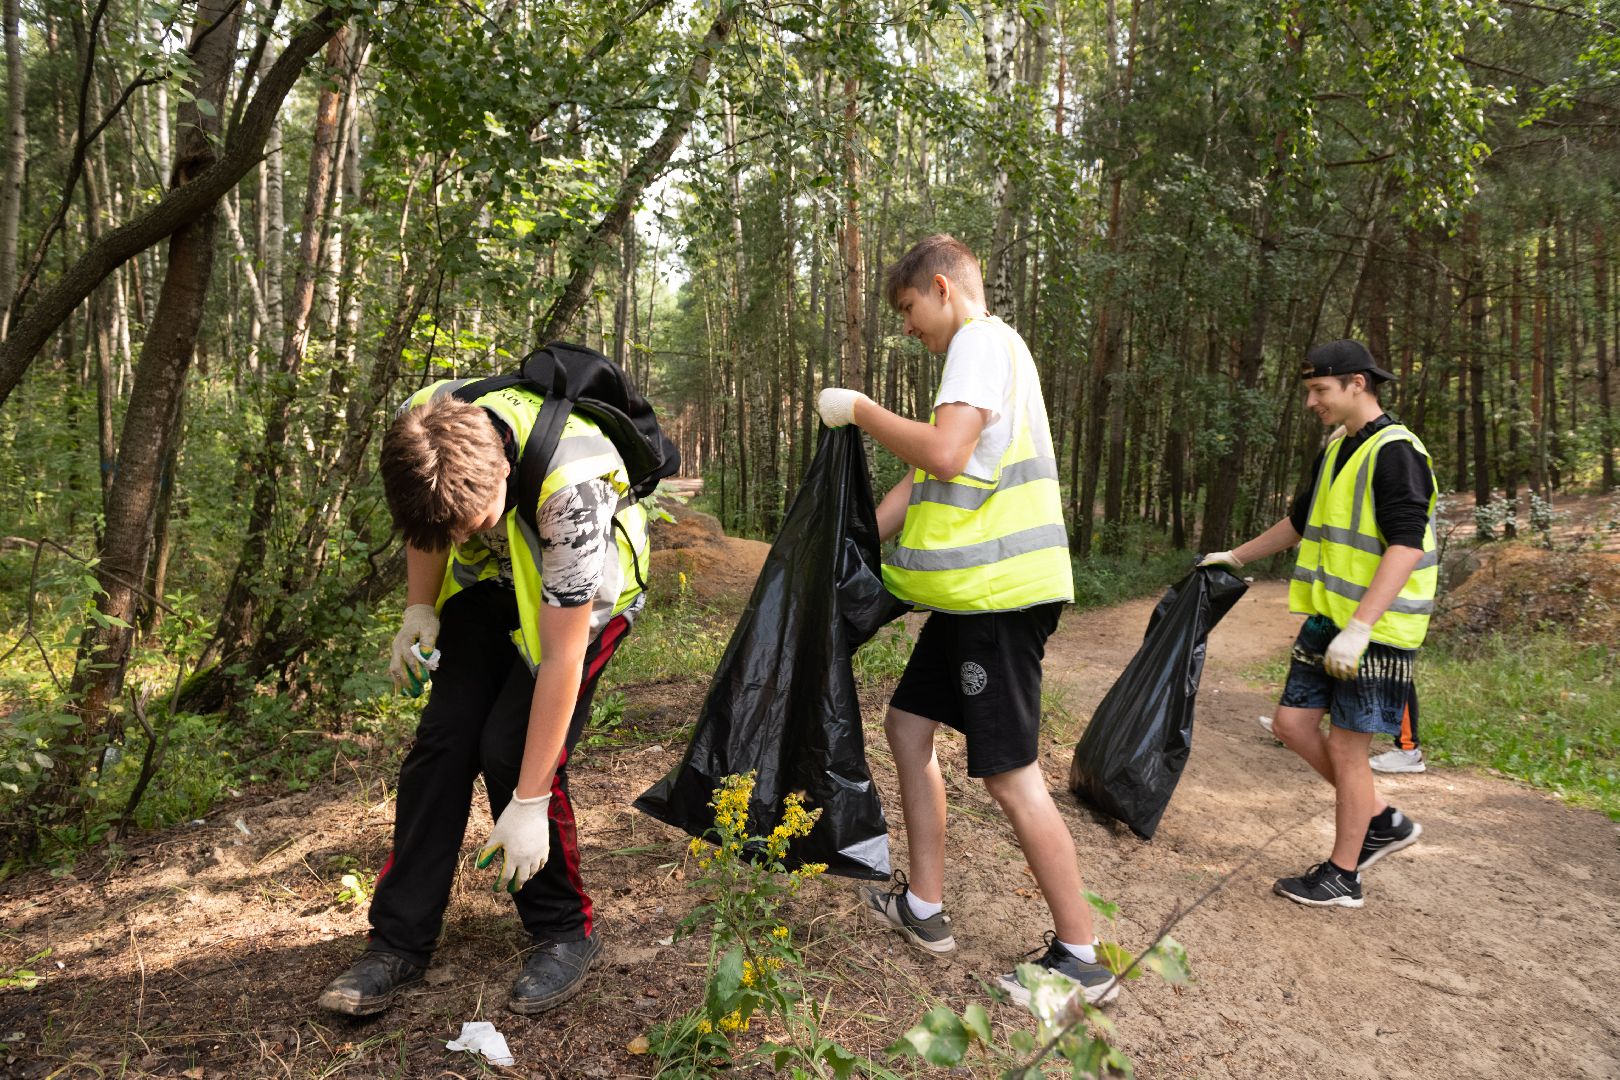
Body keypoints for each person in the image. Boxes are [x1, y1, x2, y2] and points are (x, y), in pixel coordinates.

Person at [817, 234, 1117, 1007]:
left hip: (1001, 600)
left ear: (943, 289)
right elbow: (924, 484)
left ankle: (1082, 957)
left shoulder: (980, 343)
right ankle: (924, 907)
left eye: (910, 309)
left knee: (1010, 773)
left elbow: (944, 454)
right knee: (909, 727)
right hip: (967, 601)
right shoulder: (982, 360)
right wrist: (843, 550)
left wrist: (861, 410)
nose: (908, 327)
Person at [317, 378, 650, 1016]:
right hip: (493, 585)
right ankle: (398, 943)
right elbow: (429, 526)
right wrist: (420, 609)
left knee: (510, 750)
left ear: (502, 474)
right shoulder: (424, 426)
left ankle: (563, 930)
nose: (460, 537)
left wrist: (528, 802)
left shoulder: (570, 487)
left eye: (474, 525)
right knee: (441, 746)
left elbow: (560, 658)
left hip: (585, 604)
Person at [1202, 339, 1434, 908]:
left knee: (1351, 752)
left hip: (1372, 633)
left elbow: (1404, 544)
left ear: (1358, 383)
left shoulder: (1398, 451)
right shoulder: (1337, 450)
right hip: (1328, 622)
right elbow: (1301, 523)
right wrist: (1236, 556)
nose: (1311, 402)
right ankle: (1380, 819)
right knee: (1292, 725)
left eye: (1319, 390)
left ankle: (1343, 876)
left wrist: (1361, 626)